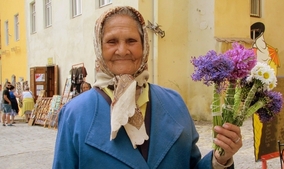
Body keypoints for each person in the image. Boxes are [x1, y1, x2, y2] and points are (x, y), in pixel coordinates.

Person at [53, 6, 242, 169]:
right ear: (99, 48)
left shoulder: (174, 103)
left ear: (144, 46)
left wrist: (220, 159)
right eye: (111, 42)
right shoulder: (74, 114)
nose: (122, 50)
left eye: (131, 41)